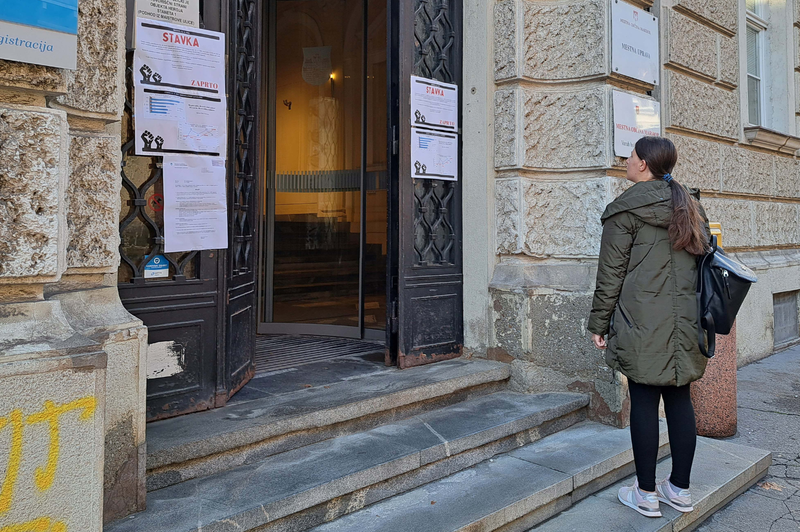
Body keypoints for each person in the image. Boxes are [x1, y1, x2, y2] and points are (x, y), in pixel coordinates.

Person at [587, 136, 710, 518]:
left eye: (631, 154)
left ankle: (645, 493)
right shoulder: (689, 205)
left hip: (642, 322)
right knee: (679, 400)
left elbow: (610, 275)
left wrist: (599, 323)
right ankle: (680, 489)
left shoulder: (624, 211)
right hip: (687, 320)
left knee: (643, 401)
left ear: (643, 164)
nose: (626, 159)